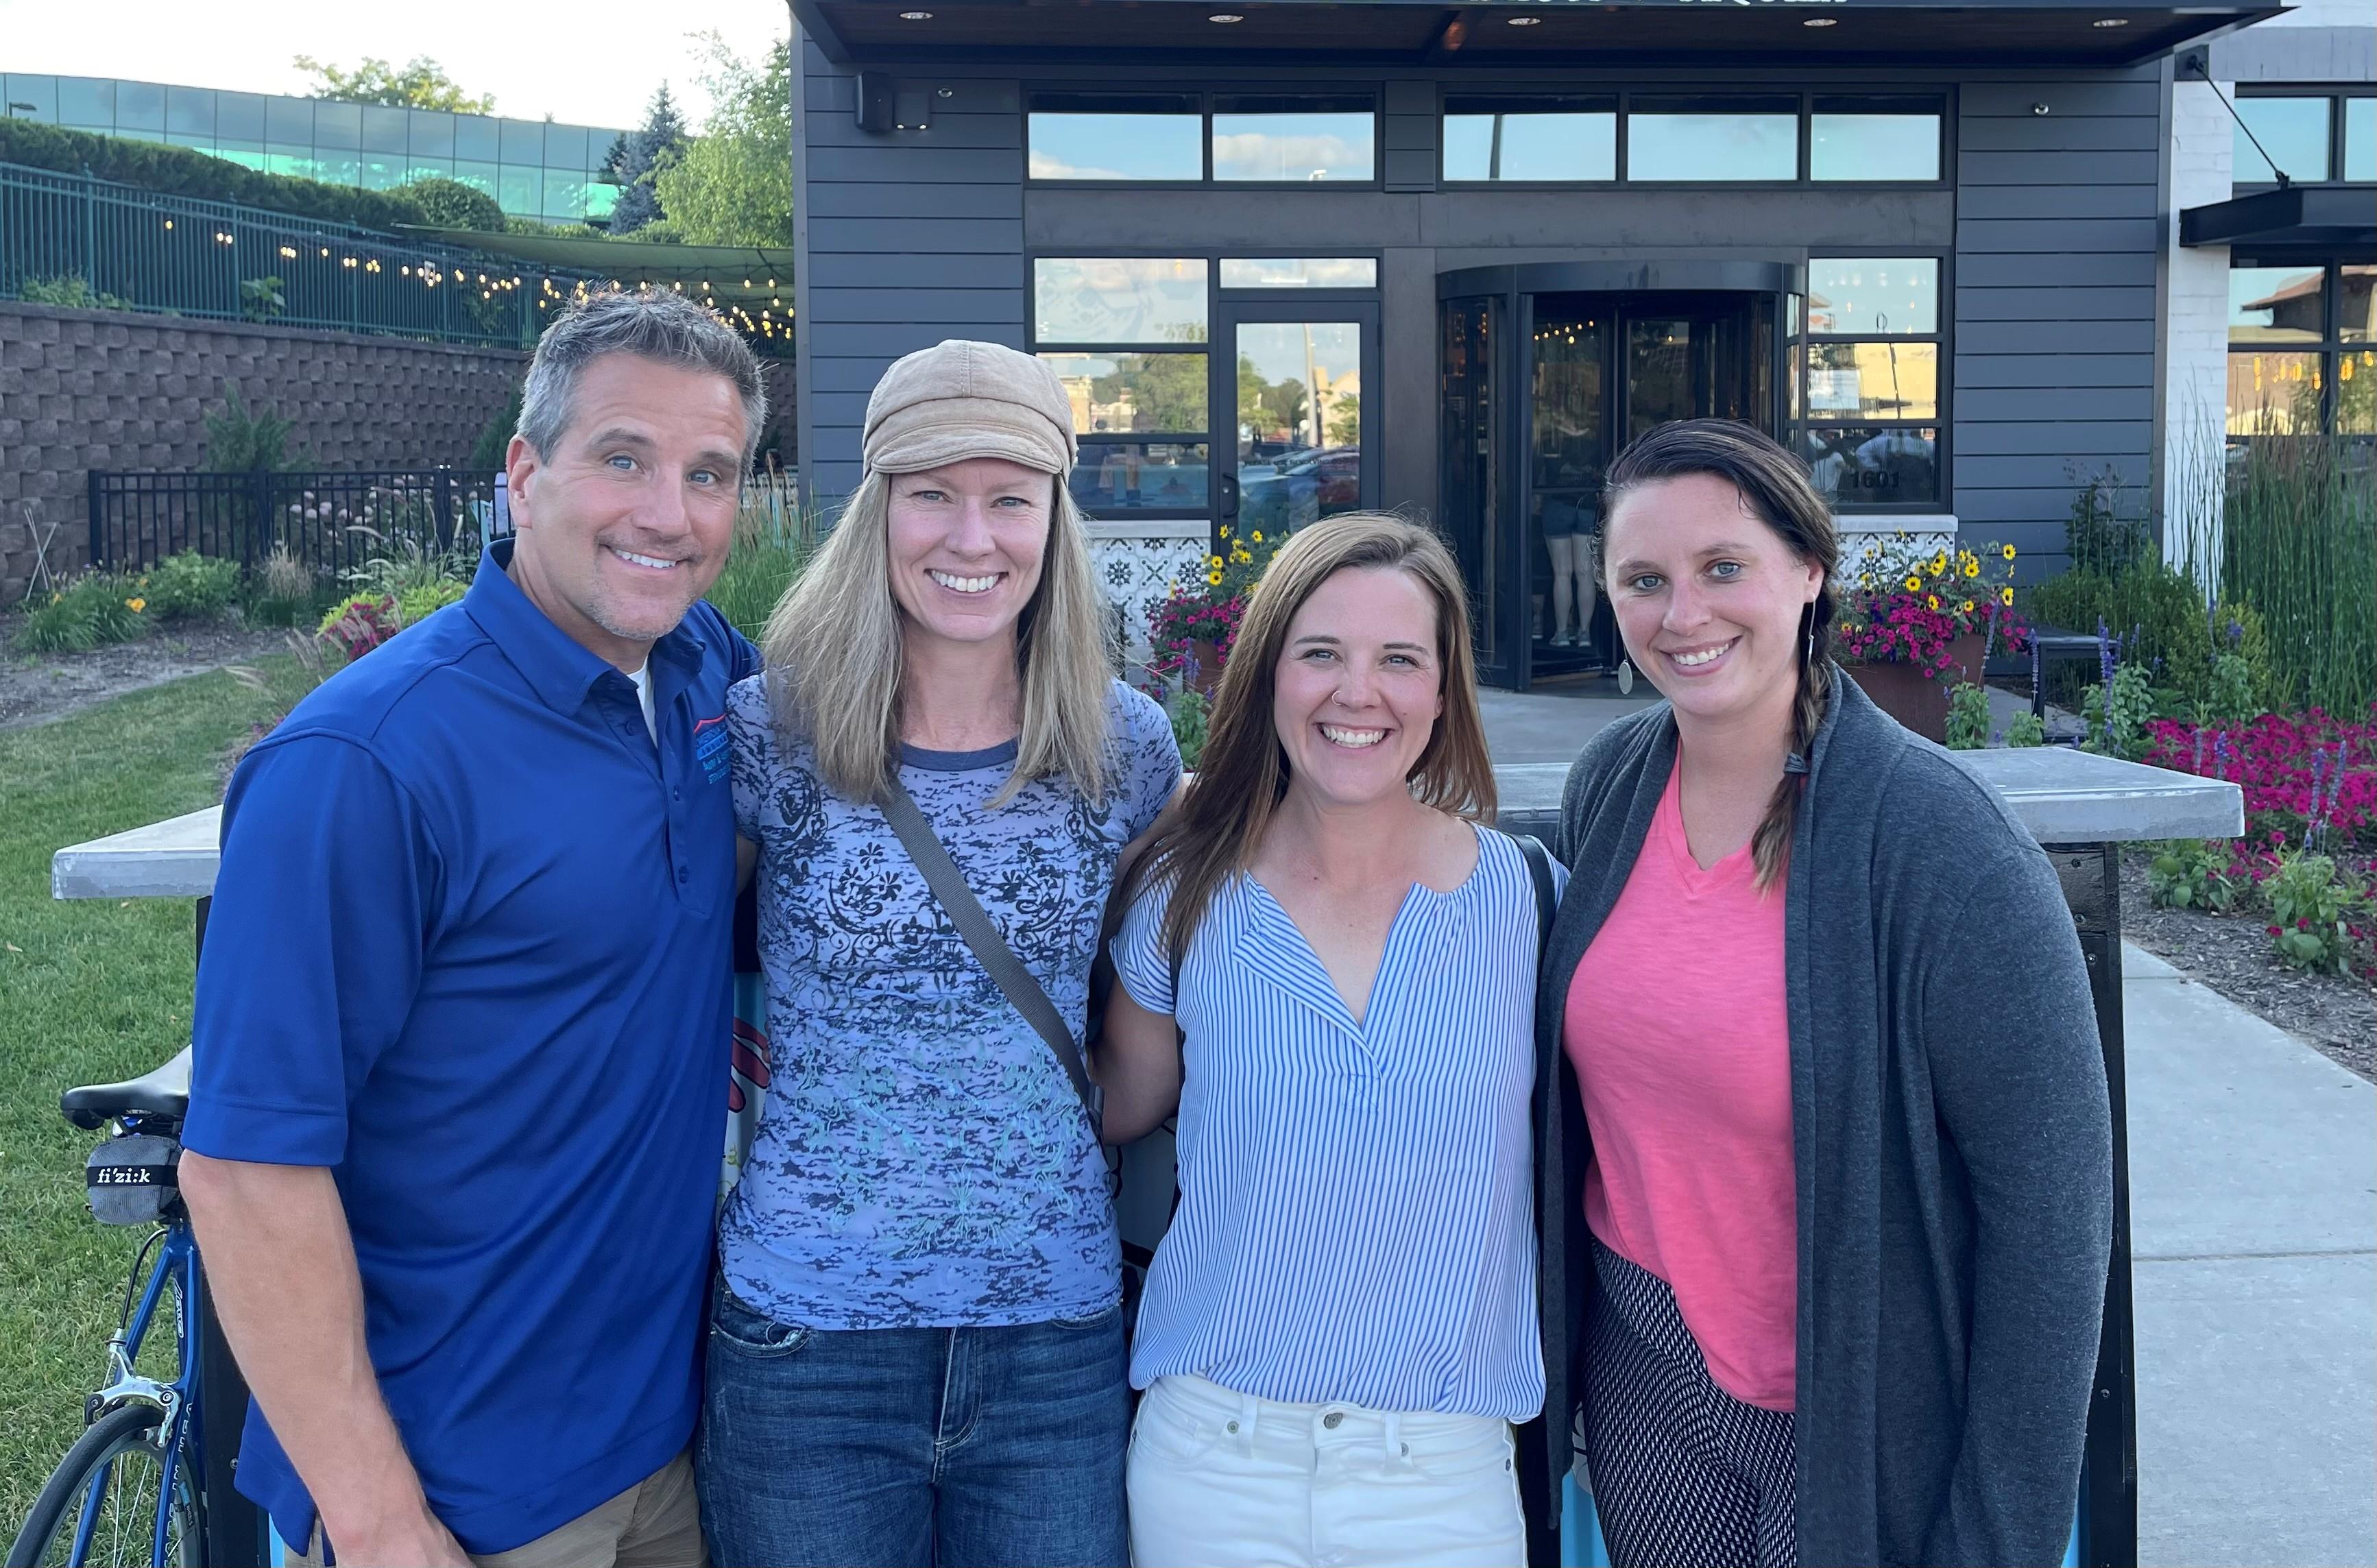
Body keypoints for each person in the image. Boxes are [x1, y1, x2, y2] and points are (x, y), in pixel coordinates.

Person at [178, 289, 767, 1567]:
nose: (669, 512)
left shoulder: (702, 671)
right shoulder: (365, 762)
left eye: (708, 473)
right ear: (522, 472)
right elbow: (244, 1171)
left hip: (665, 1449)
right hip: (450, 1491)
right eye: (624, 458)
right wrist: (381, 1521)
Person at [1536, 418, 2112, 1567]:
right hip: (1650, 1373)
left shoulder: (1947, 853)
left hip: (1857, 1399)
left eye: (1723, 568)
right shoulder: (1609, 788)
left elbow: (2054, 1229)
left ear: (1809, 571)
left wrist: (1999, 1538)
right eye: (1643, 580)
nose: (1682, 615)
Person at [700, 339, 1181, 1568]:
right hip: (809, 1344)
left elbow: (1150, 987)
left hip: (1053, 1344)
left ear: (1053, 520)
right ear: (879, 512)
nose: (973, 538)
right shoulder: (778, 728)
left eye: (1010, 498)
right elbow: (653, 940)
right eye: (933, 494)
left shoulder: (1123, 745)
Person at [1097, 513, 1556, 1568]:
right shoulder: (1184, 897)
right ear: (1267, 677)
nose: (1360, 693)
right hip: (1211, 1462)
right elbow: (1115, 1107)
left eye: (1400, 659)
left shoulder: (1531, 905)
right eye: (1321, 654)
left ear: (1443, 693)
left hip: (1445, 1478)